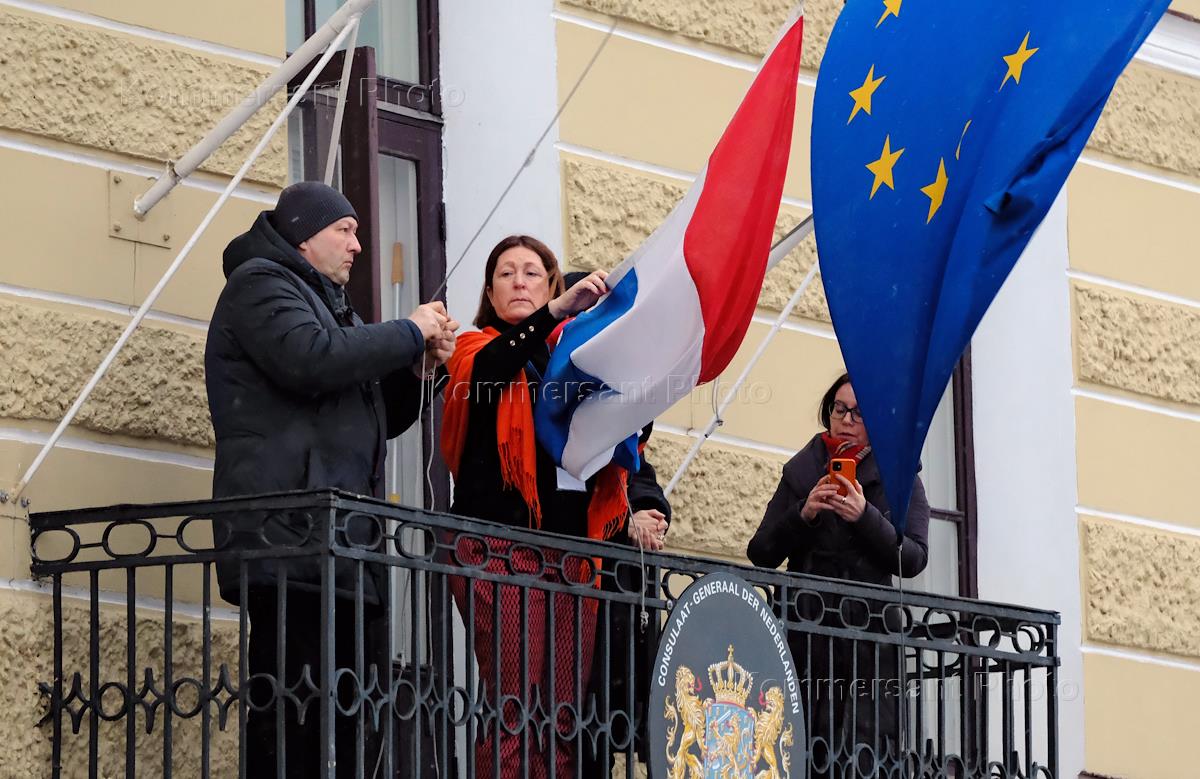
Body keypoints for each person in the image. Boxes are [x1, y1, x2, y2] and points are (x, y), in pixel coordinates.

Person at [204, 180, 457, 777]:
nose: (357, 245)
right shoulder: (260, 284)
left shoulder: (326, 301)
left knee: (343, 717)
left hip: (338, 544)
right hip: (289, 541)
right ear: (303, 235)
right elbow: (311, 359)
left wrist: (419, 371)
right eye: (344, 230)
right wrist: (408, 330)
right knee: (293, 715)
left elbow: (377, 414)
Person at [440, 236, 627, 778]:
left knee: (561, 717)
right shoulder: (474, 348)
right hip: (497, 549)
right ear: (491, 292)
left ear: (550, 282)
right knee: (514, 710)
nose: (519, 281)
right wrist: (552, 314)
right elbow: (496, 369)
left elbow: (620, 430)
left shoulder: (575, 358)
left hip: (571, 556)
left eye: (532, 273)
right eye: (506, 274)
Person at [746, 373, 929, 777]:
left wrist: (865, 518)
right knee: (797, 748)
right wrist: (804, 514)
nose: (846, 419)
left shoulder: (899, 477)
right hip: (803, 635)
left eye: (859, 413)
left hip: (869, 643)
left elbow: (914, 557)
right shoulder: (802, 471)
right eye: (839, 409)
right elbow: (761, 552)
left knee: (862, 755)